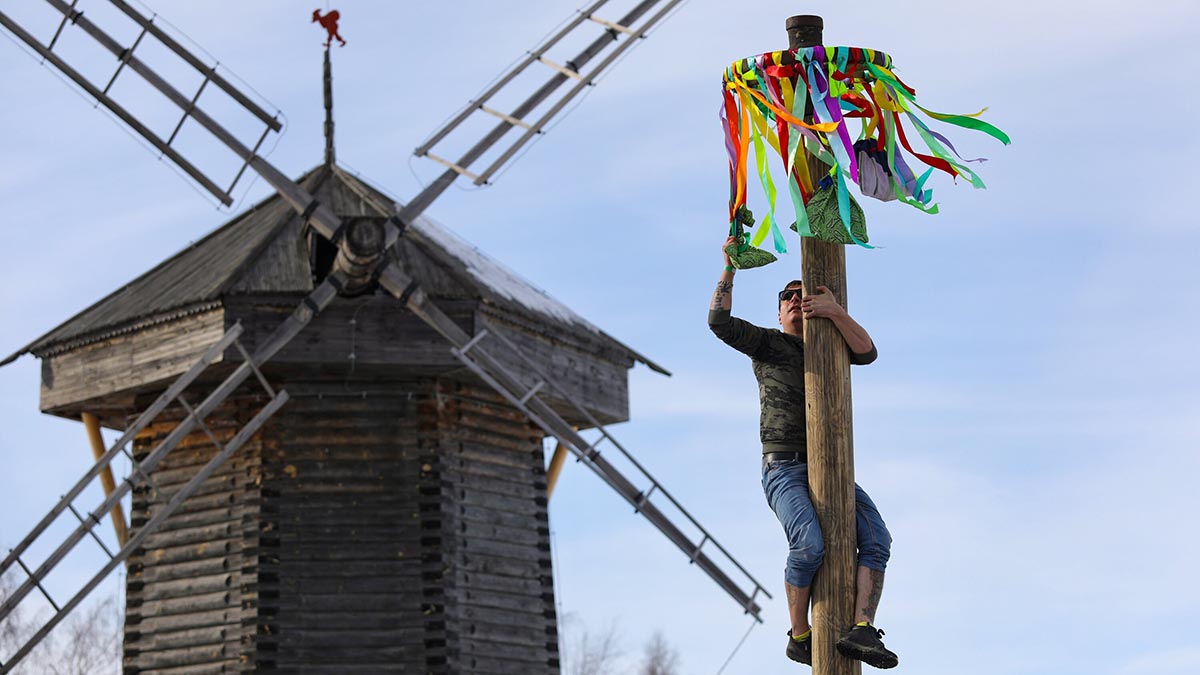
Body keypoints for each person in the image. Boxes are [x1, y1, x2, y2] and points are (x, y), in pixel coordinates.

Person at [708, 236, 898, 669]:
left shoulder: (829, 343)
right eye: (787, 297)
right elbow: (718, 321)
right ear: (778, 312)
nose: (796, 300)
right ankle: (800, 635)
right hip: (784, 467)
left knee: (876, 540)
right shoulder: (768, 344)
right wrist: (729, 267)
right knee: (810, 545)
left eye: (803, 294)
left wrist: (833, 311)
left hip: (831, 464)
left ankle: (863, 630)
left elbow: (867, 352)